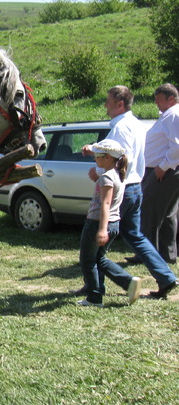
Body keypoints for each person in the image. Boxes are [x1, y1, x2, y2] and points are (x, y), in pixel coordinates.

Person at [75, 86, 177, 300]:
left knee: (97, 239)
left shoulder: (121, 127)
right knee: (135, 235)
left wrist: (99, 171)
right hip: (135, 187)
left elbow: (118, 157)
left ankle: (95, 288)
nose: (105, 105)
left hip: (120, 188)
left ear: (120, 103)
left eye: (108, 101)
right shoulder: (137, 124)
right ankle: (165, 276)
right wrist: (94, 149)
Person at [77, 139, 141, 308]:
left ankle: (95, 297)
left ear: (107, 158)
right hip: (114, 223)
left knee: (87, 260)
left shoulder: (106, 177)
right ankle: (126, 283)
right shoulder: (118, 174)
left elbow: (105, 204)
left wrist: (102, 229)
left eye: (97, 155)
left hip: (98, 223)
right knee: (99, 258)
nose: (95, 158)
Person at [139, 83, 179, 269]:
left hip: (164, 171)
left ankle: (147, 255)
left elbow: (177, 147)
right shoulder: (169, 115)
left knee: (149, 212)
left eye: (159, 99)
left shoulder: (173, 115)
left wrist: (162, 167)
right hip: (166, 171)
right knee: (168, 214)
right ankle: (167, 254)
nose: (156, 103)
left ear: (171, 99)